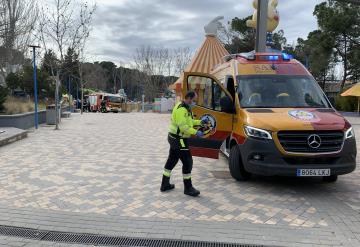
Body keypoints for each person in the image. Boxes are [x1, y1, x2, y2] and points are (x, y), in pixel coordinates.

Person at [160, 91, 207, 197]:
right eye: (194, 100)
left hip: (174, 138)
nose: (194, 103)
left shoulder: (184, 107)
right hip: (179, 139)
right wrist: (196, 132)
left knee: (171, 161)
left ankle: (165, 184)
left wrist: (200, 122)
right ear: (189, 98)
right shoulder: (182, 110)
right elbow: (184, 128)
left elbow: (189, 122)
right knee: (187, 162)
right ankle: (188, 188)